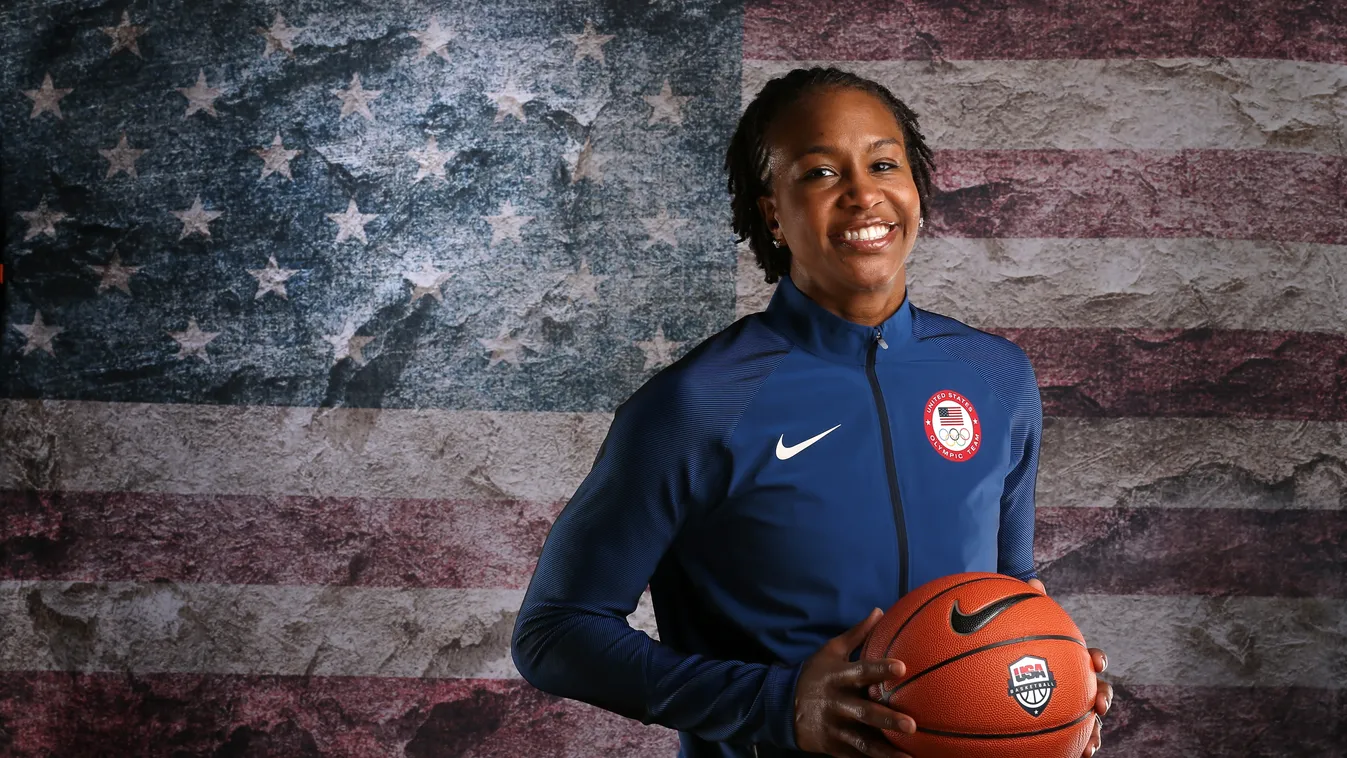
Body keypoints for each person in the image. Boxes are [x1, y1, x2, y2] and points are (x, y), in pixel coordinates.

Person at [511, 66, 1112, 758]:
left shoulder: (995, 377)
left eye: (884, 164)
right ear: (772, 211)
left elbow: (1008, 592)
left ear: (914, 189)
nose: (862, 194)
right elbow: (554, 633)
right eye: (821, 173)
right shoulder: (697, 404)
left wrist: (1052, 686)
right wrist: (780, 703)